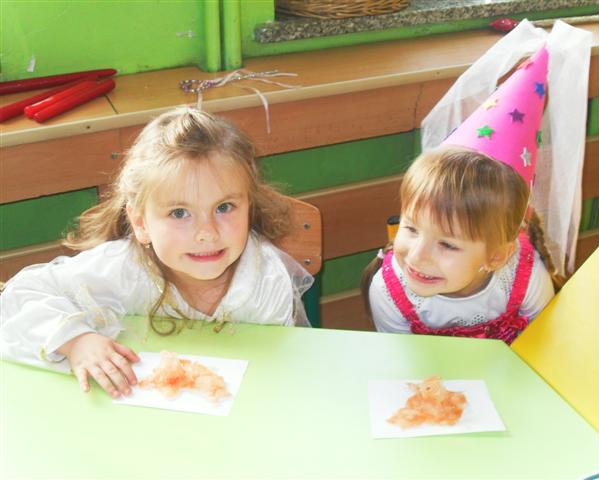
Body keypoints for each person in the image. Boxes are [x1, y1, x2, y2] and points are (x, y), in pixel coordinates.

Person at [1, 108, 313, 398]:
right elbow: (19, 295)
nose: (207, 232)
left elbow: (275, 377)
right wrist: (75, 341)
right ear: (140, 222)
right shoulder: (123, 267)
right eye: (179, 213)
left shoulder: (265, 281)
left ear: (249, 206)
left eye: (224, 207)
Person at [362, 46, 563, 344]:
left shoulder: (527, 279)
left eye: (447, 244)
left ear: (496, 256)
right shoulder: (388, 292)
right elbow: (401, 361)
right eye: (411, 229)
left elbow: (541, 348)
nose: (417, 256)